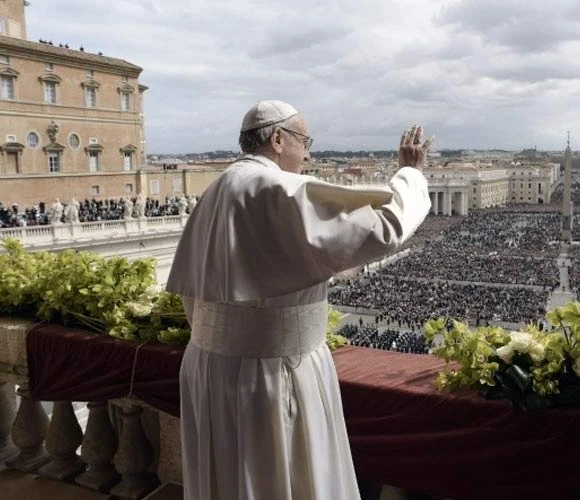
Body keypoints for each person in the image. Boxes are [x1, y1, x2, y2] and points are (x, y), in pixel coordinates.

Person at [166, 99, 434, 500]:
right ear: (278, 139)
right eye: (305, 142)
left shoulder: (216, 190)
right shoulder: (273, 188)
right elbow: (385, 227)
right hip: (273, 373)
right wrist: (411, 172)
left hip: (208, 366)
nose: (308, 154)